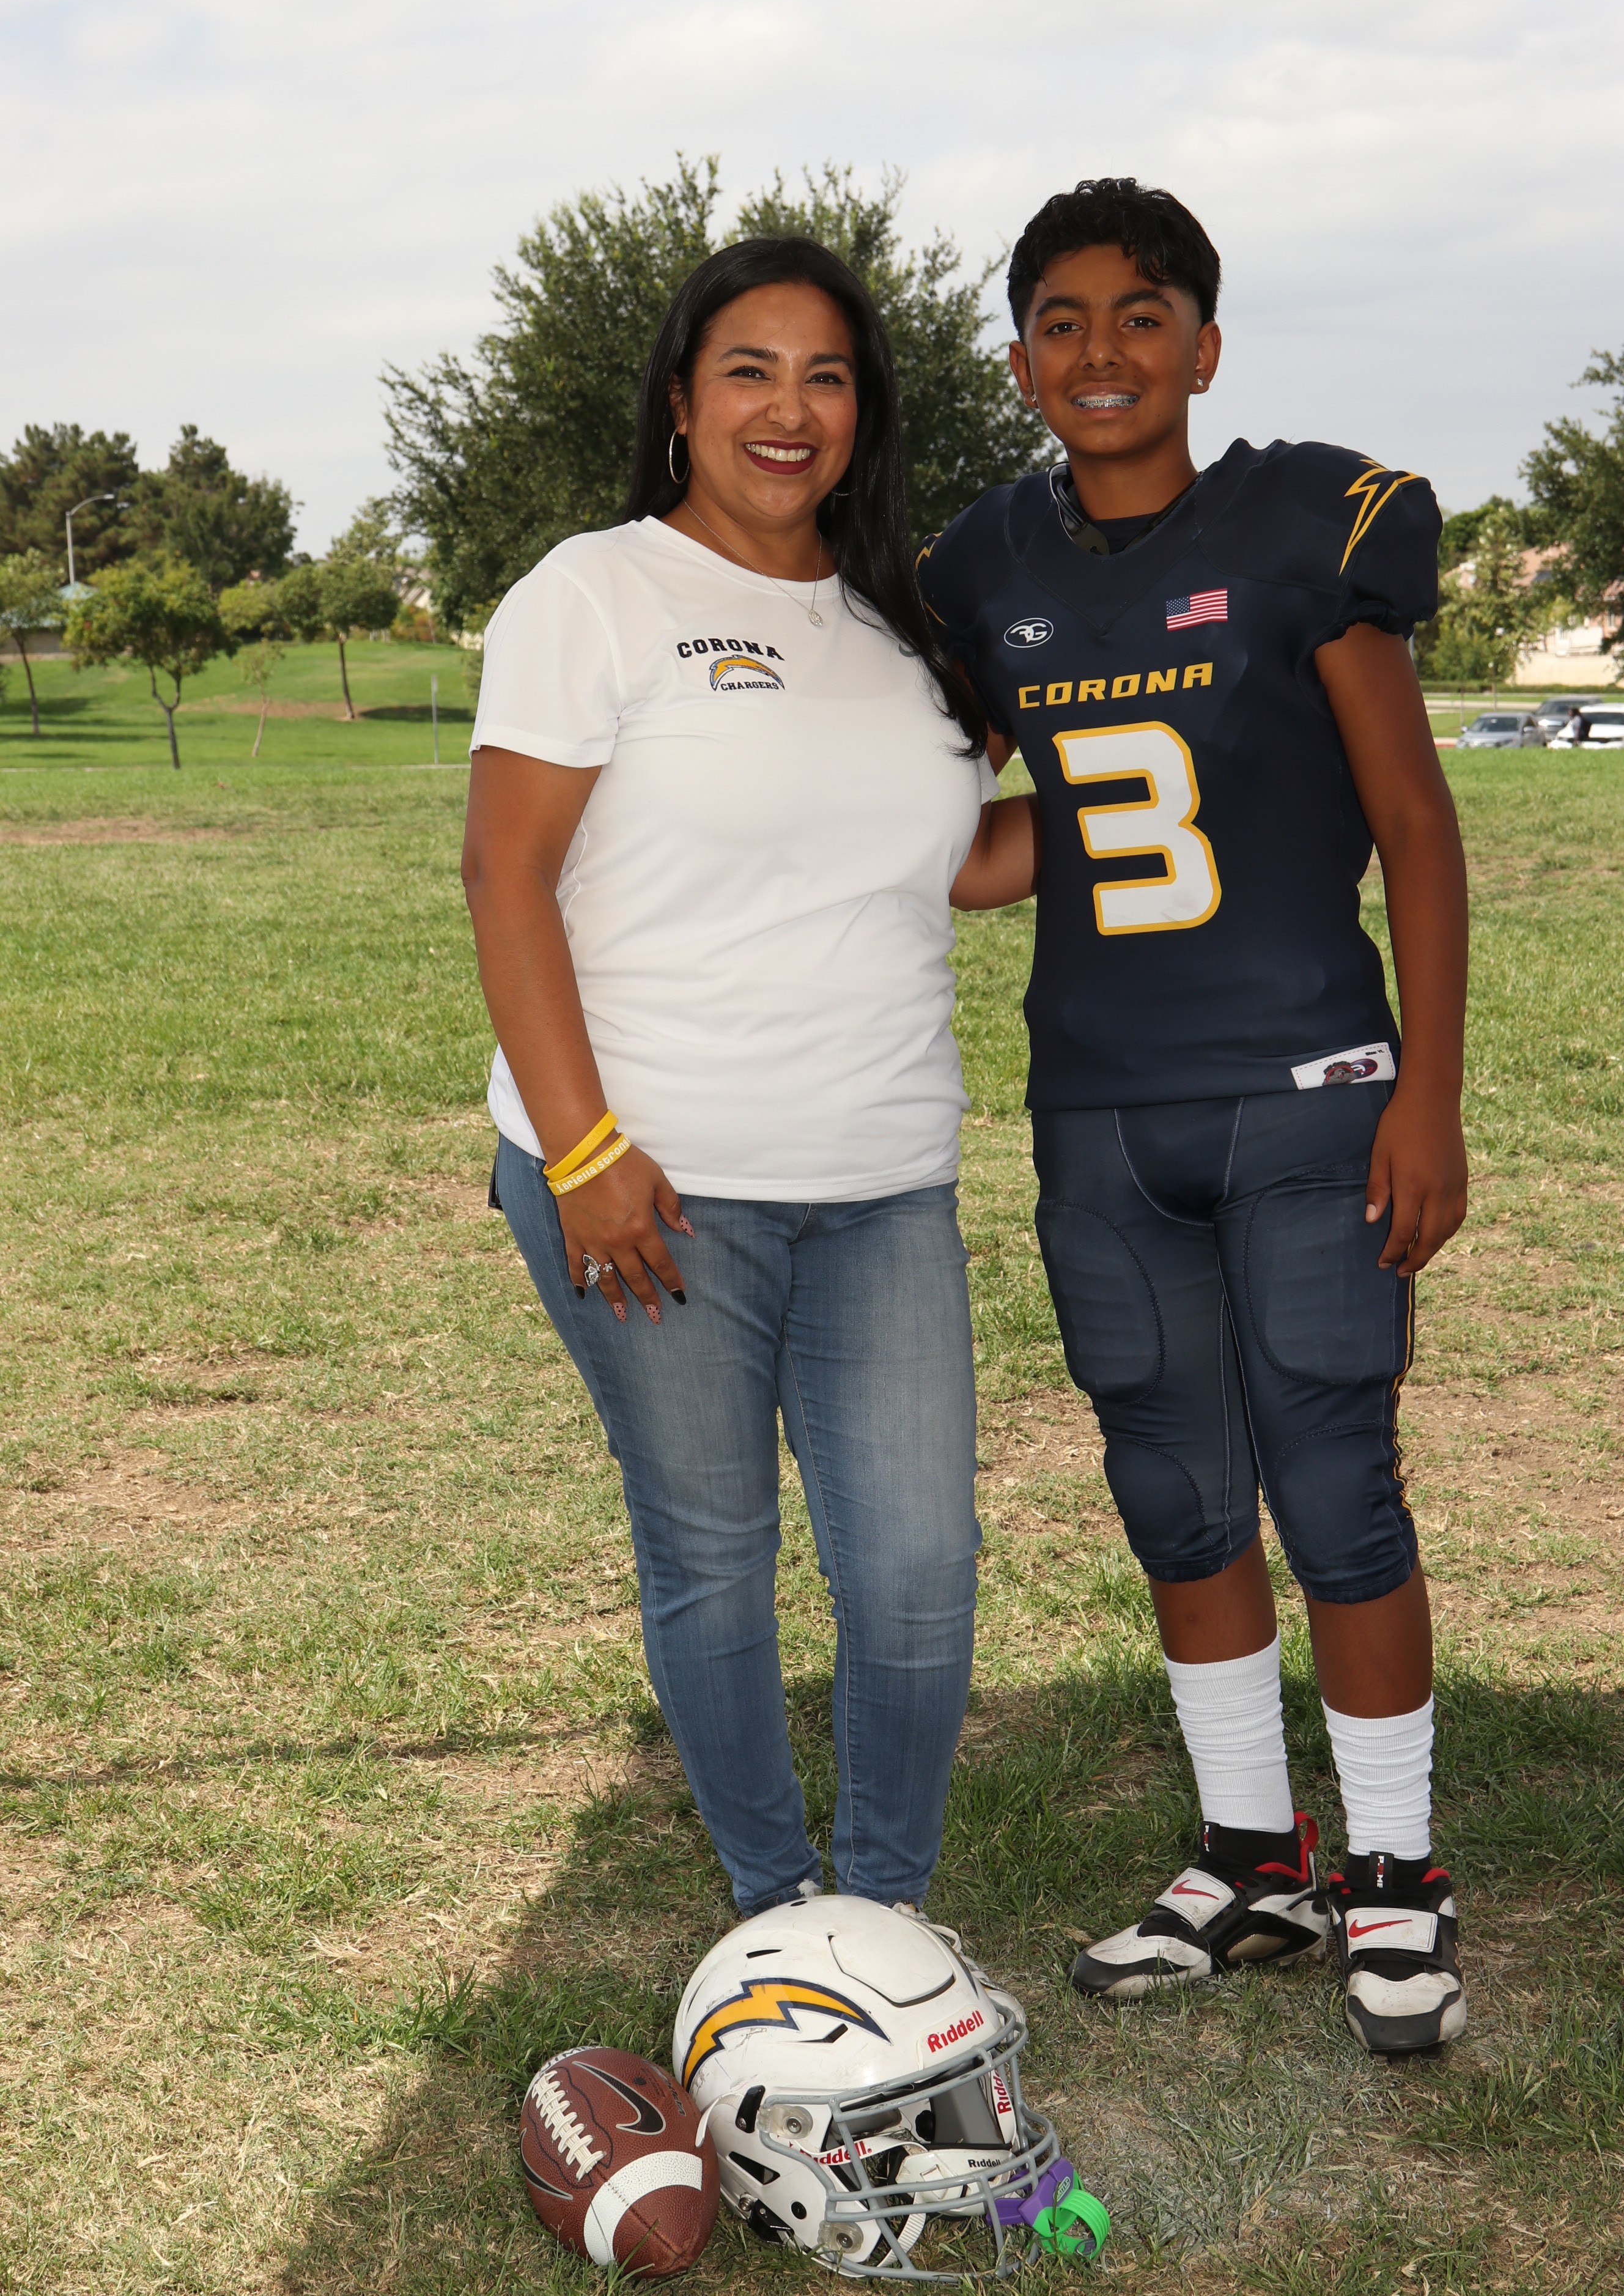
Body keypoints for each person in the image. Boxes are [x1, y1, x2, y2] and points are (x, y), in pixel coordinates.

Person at [924, 180, 1471, 2056]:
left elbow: (1416, 827)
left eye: (1142, 315)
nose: (1103, 351)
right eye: (1062, 321)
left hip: (1309, 1089)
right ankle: (1254, 1853)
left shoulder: (1304, 523)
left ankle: (1394, 1869)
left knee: (1332, 1480)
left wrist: (1429, 1093)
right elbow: (1004, 838)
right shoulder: (988, 566)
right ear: (1021, 361)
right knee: (1168, 1483)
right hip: (1101, 1103)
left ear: (1205, 348)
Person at [461, 235, 1017, 1923]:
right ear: (683, 403)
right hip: (653, 1181)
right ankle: (778, 1913)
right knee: (715, 1557)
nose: (791, 408)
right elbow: (506, 874)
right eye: (751, 371)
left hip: (882, 1179)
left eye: (827, 375)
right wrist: (583, 1154)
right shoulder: (596, 592)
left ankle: (881, 1924)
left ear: (865, 411)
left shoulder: (907, 622)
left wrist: (1177, 797)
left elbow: (941, 863)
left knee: (917, 1572)